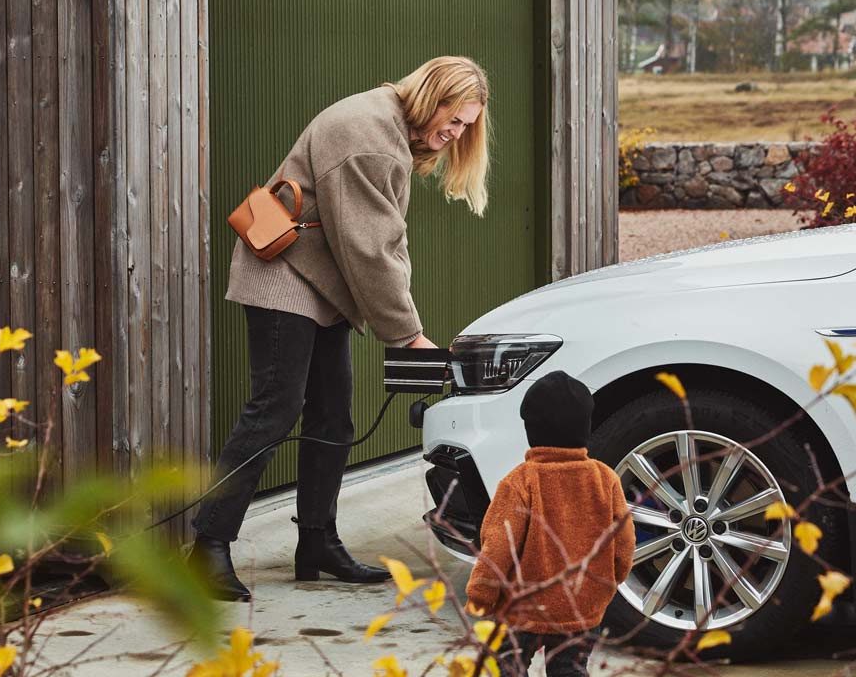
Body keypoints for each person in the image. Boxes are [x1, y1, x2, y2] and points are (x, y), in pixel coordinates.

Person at [188, 56, 491, 601]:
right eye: (454, 116)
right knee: (274, 409)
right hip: (282, 277)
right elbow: (369, 251)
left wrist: (405, 325)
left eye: (467, 125)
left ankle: (317, 543)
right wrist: (407, 334)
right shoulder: (368, 135)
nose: (456, 132)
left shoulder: (389, 128)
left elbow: (381, 243)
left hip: (318, 283)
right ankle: (207, 547)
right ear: (431, 95)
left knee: (333, 414)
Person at [465, 371, 635, 677]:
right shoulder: (605, 478)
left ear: (532, 430)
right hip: (582, 607)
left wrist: (481, 595)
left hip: (524, 611)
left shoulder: (521, 481)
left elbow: (498, 546)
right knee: (569, 669)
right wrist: (610, 581)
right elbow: (624, 543)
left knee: (507, 666)